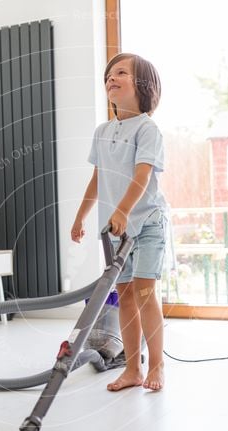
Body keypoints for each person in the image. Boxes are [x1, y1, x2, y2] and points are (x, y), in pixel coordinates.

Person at [71, 52, 167, 392]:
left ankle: (156, 366)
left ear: (141, 84)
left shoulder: (147, 128)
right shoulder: (102, 131)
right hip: (117, 229)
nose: (111, 77)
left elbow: (142, 176)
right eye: (109, 74)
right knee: (125, 296)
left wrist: (124, 210)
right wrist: (81, 215)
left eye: (121, 72)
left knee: (144, 293)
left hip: (147, 223)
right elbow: (97, 178)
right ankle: (132, 369)